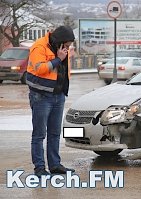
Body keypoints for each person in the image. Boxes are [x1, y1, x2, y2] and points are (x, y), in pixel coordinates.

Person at [26, 26, 75, 177]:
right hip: (41, 96)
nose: (68, 48)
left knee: (54, 133)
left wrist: (64, 57)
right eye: (66, 45)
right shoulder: (39, 46)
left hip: (58, 95)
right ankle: (39, 168)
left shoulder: (61, 49)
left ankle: (55, 165)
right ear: (59, 42)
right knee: (39, 134)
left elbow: (64, 70)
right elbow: (40, 69)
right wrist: (58, 59)